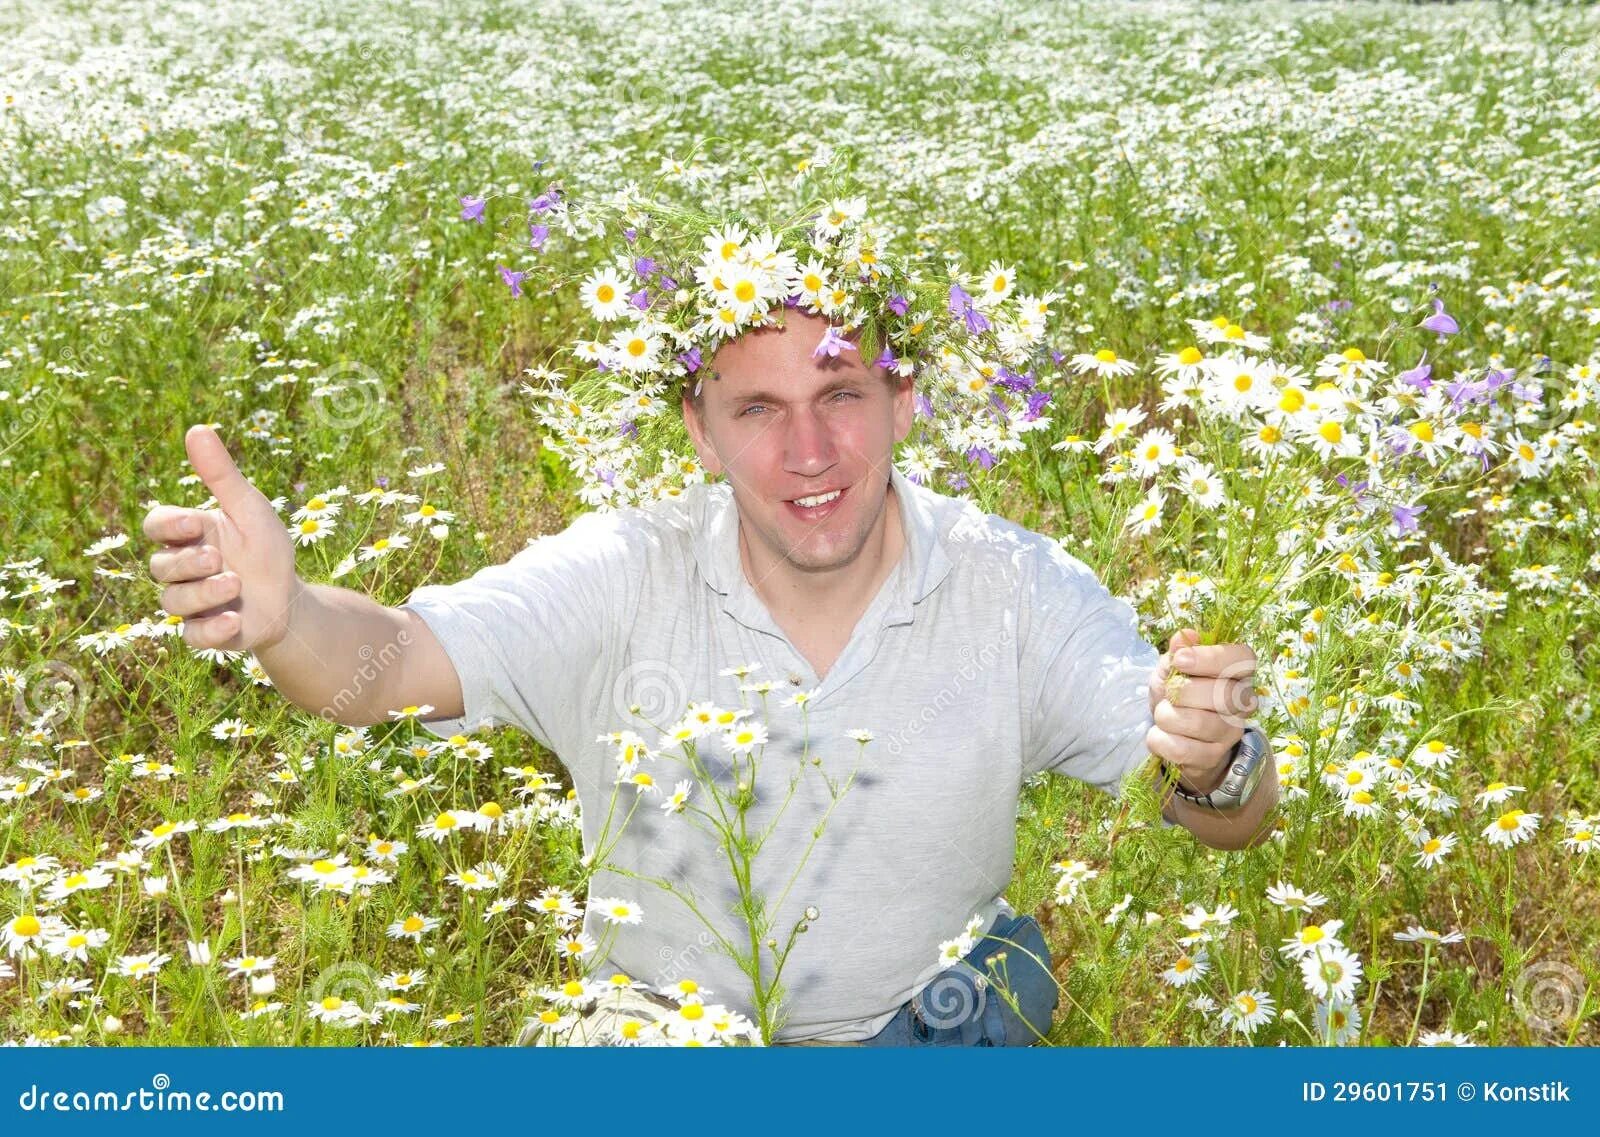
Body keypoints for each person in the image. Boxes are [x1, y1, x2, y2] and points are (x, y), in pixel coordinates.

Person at [142, 308, 1277, 1046]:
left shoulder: (1013, 583)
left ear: (905, 401)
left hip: (934, 1027)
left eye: (841, 396)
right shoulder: (620, 570)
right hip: (666, 1040)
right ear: (698, 428)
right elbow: (386, 667)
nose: (810, 454)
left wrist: (1220, 755)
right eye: (758, 410)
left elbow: (1218, 806)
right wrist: (287, 621)